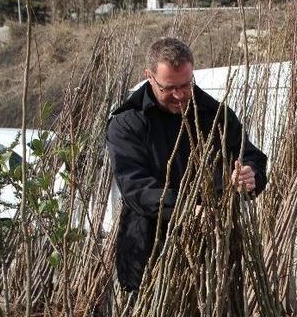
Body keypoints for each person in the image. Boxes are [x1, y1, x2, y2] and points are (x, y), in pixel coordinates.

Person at [106, 36, 267, 291]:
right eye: (169, 88)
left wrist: (250, 174)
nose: (179, 95)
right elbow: (135, 187)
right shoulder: (128, 123)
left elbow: (250, 155)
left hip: (211, 254)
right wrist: (188, 211)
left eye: (186, 85)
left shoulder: (215, 114)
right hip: (150, 250)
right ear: (149, 76)